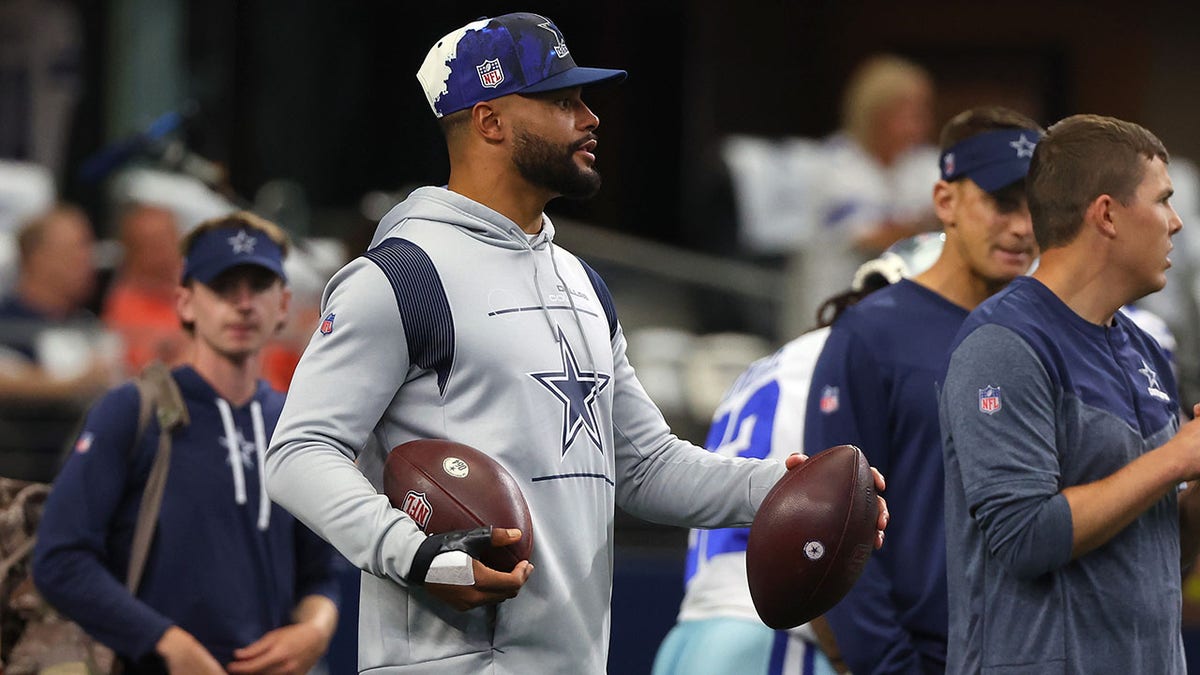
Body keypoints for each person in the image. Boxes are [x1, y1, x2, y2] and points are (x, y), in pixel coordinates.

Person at [265, 12, 887, 674]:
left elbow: (645, 465)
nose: (591, 118)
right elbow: (298, 453)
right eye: (563, 101)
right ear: (491, 121)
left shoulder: (581, 281)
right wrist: (412, 550)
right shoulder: (400, 276)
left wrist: (788, 491)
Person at [940, 114, 1195, 673]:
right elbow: (1025, 536)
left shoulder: (1145, 349)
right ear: (1106, 214)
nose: (1175, 223)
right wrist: (1173, 459)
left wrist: (1195, 488)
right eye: (1162, 201)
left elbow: (1160, 556)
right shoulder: (1002, 344)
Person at [32, 211, 341, 673]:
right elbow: (59, 558)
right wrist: (166, 643)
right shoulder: (131, 412)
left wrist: (314, 630)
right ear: (185, 303)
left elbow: (326, 570)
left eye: (258, 286)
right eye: (222, 287)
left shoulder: (295, 422)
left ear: (283, 305)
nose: (242, 304)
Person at [803, 106, 1045, 674]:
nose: (1023, 226)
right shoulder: (872, 333)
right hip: (920, 657)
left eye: (1037, 205)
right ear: (946, 201)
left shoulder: (1053, 334)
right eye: (1003, 202)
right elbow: (835, 526)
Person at [654, 234, 941, 675]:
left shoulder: (784, 358)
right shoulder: (858, 362)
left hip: (697, 632)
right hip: (776, 636)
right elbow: (833, 524)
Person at [782, 54, 940, 338]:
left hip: (894, 321)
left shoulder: (925, 165)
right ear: (875, 113)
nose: (921, 123)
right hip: (829, 316)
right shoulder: (834, 165)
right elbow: (872, 237)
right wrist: (933, 223)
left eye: (922, 112)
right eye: (908, 113)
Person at [0, 204, 118, 481]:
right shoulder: (7, 322)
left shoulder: (90, 326)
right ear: (39, 258)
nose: (89, 259)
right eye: (77, 249)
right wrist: (72, 386)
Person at [101, 202, 189, 373]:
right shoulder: (123, 308)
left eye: (167, 239)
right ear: (132, 254)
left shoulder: (204, 285)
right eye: (151, 245)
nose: (163, 251)